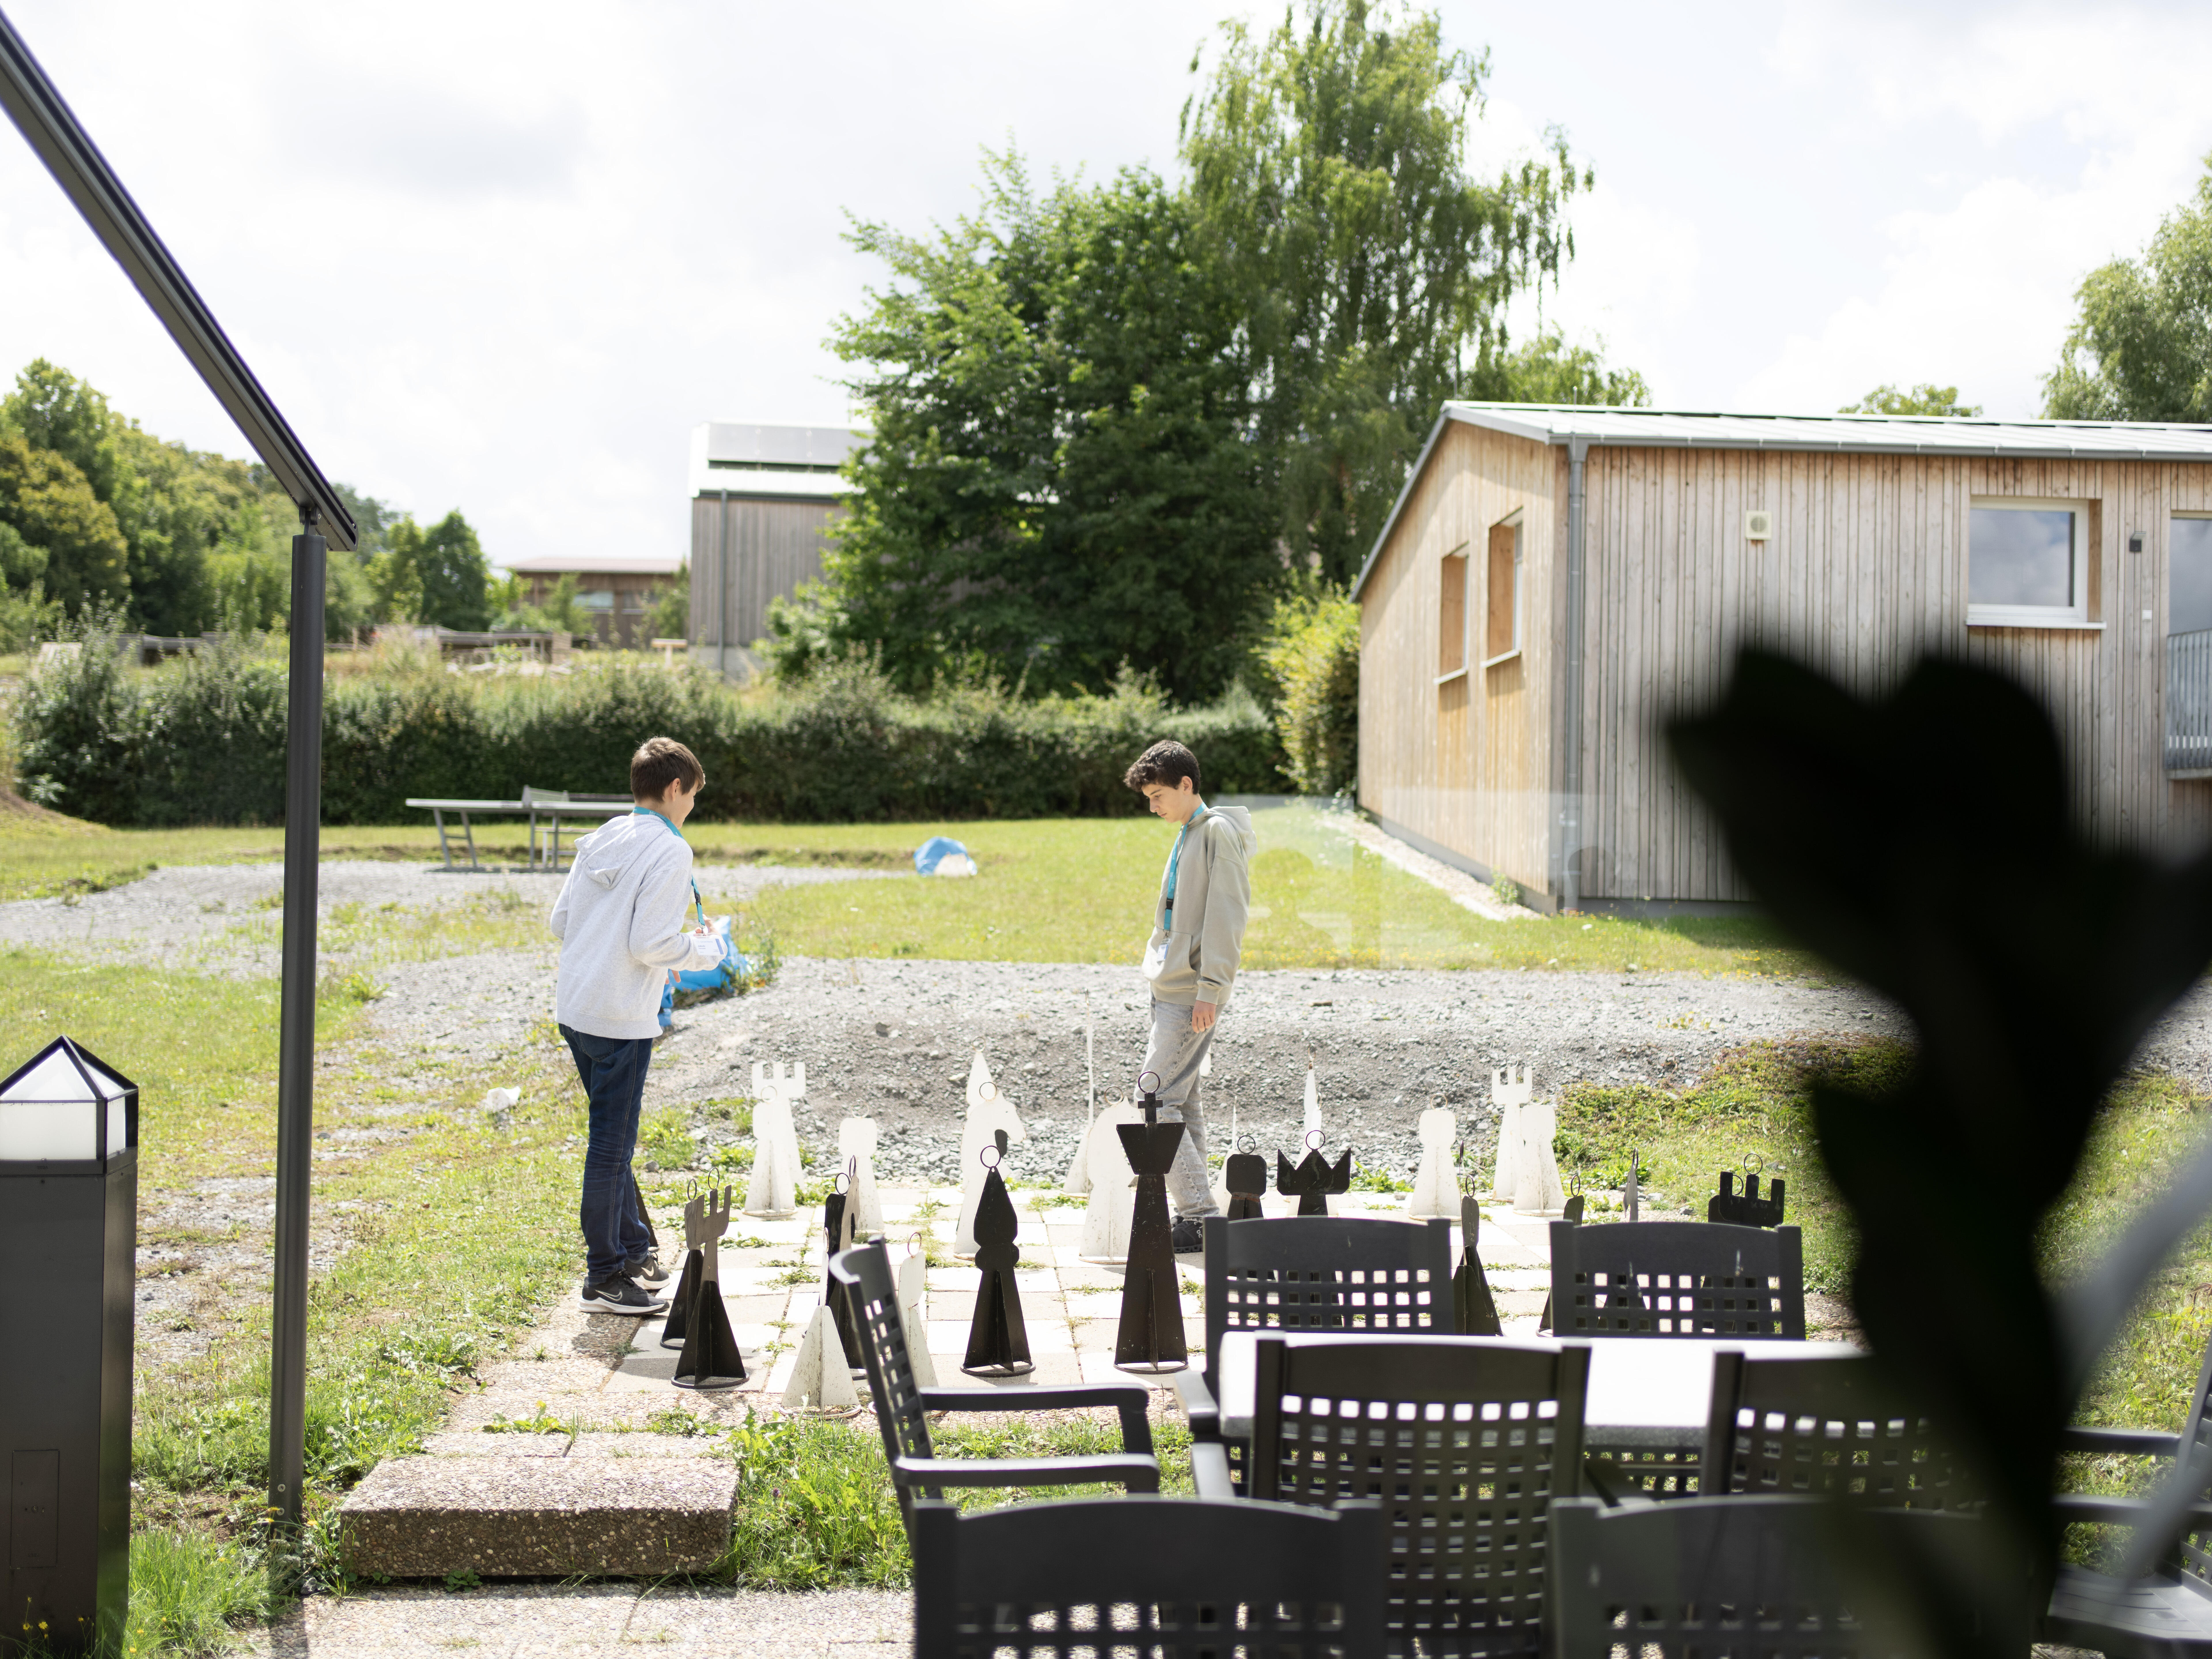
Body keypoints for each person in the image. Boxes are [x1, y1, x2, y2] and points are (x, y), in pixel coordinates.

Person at [550, 736, 730, 1314]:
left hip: (576, 1008)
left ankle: (632, 1251)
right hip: (622, 1018)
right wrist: (708, 950)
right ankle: (603, 1276)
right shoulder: (672, 851)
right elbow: (650, 943)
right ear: (676, 788)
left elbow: (562, 921)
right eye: (694, 797)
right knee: (611, 1147)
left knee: (612, 1143)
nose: (691, 809)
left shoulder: (604, 835)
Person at [1124, 738, 1254, 1255]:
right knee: (1184, 1100)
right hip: (1171, 987)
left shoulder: (1217, 833)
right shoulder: (1190, 833)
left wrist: (1211, 991)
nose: (1153, 807)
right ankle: (1193, 1215)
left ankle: (1200, 1216)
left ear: (1186, 785)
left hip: (1191, 993)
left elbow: (1228, 917)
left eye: (1158, 795)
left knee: (1153, 1098)